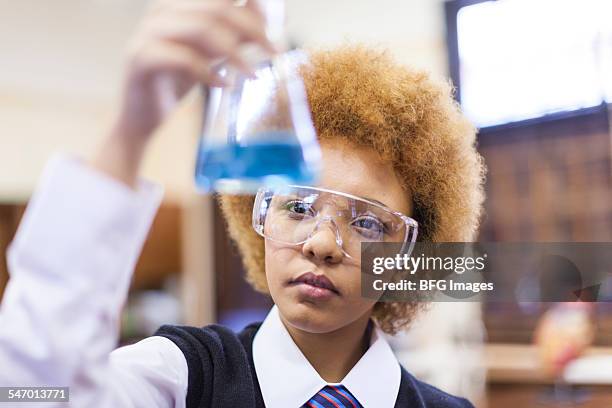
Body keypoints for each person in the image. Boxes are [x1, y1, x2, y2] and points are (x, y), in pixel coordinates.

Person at [0, 0, 485, 407]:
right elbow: (34, 392)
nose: (320, 243)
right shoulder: (180, 378)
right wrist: (132, 127)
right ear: (257, 213)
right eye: (297, 207)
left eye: (366, 223)